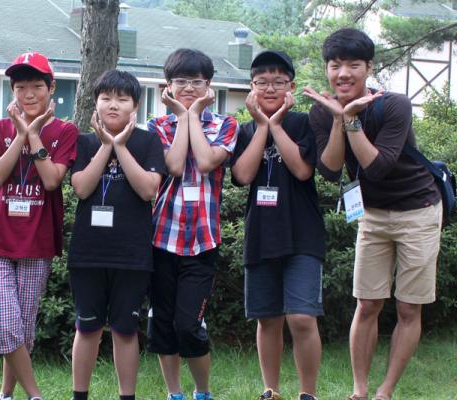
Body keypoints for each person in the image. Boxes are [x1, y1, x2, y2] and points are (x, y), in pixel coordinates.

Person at [303, 28, 442, 400]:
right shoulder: (322, 112)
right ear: (327, 69)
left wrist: (351, 119)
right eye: (335, 65)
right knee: (366, 303)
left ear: (369, 68)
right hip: (373, 215)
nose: (343, 73)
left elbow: (377, 167)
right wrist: (337, 118)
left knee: (408, 307)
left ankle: (385, 391)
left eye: (353, 64)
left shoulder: (395, 105)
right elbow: (330, 169)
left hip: (418, 211)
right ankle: (360, 390)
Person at [0, 51, 78, 400]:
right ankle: (36, 395)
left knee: (22, 326)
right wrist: (20, 135)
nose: (29, 94)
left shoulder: (65, 131)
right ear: (12, 91)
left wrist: (33, 134)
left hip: (37, 241)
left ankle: (6, 394)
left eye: (37, 86)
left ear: (51, 88)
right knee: (7, 324)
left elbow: (52, 180)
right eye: (20, 87)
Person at [231, 50, 325, 400]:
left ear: (292, 87)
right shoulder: (244, 130)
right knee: (267, 318)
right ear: (251, 87)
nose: (270, 89)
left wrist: (276, 125)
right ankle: (270, 390)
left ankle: (308, 393)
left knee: (301, 317)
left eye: (278, 82)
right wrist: (261, 126)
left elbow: (302, 170)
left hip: (303, 234)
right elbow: (243, 175)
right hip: (260, 234)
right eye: (262, 82)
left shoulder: (304, 124)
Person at [67, 69, 166, 400]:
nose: (113, 105)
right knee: (87, 327)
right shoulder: (84, 142)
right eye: (106, 98)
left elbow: (148, 189)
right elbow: (82, 188)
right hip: (88, 254)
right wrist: (105, 145)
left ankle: (127, 396)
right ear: (95, 102)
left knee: (125, 330)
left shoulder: (148, 142)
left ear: (135, 105)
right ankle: (79, 395)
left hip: (132, 255)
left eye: (122, 99)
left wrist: (119, 145)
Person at [146, 48, 238, 400]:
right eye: (180, 81)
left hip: (202, 242)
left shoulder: (226, 125)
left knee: (189, 324)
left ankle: (202, 392)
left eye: (196, 82)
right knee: (162, 323)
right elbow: (172, 166)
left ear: (208, 85)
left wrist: (192, 116)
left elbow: (204, 161)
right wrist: (183, 118)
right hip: (161, 239)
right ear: (167, 86)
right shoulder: (157, 126)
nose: (188, 87)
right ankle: (175, 393)